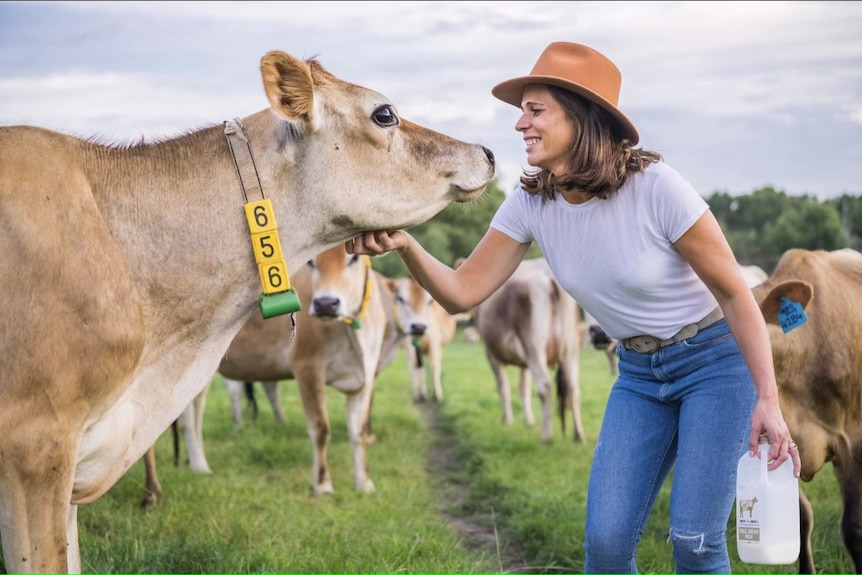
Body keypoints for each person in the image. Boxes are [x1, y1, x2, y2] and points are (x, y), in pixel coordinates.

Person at [347, 41, 801, 573]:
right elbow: (461, 292)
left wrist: (767, 399)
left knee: (695, 543)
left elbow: (733, 293)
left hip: (715, 365)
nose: (520, 124)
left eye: (535, 110)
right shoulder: (531, 204)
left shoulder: (657, 189)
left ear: (582, 119)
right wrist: (406, 245)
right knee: (606, 547)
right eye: (521, 112)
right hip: (637, 374)